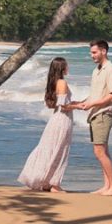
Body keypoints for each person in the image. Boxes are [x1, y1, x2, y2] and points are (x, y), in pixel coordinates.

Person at [18, 57, 74, 193]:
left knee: (51, 149)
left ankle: (47, 182)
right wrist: (79, 106)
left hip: (56, 118)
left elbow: (59, 102)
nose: (68, 68)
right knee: (59, 151)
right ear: (62, 68)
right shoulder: (61, 82)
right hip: (62, 119)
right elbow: (64, 105)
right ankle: (54, 184)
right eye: (67, 65)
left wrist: (78, 103)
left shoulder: (54, 82)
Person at [72, 39, 112, 196]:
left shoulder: (111, 69)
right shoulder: (96, 70)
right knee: (103, 151)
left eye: (94, 52)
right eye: (91, 52)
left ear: (103, 51)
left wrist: (92, 104)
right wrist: (81, 103)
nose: (91, 55)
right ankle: (107, 186)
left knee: (99, 152)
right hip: (96, 114)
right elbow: (94, 94)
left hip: (104, 114)